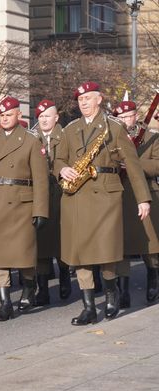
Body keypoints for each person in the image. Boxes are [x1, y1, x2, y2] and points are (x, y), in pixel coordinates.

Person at [55, 82, 151, 325]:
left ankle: (111, 292)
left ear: (99, 99)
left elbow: (133, 165)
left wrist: (143, 199)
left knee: (106, 251)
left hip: (106, 196)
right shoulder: (70, 128)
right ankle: (88, 307)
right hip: (76, 196)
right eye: (80, 99)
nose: (83, 102)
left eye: (88, 98)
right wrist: (63, 168)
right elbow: (58, 159)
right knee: (80, 253)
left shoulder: (115, 128)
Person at [0, 97, 49, 321]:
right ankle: (5, 303)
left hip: (21, 204)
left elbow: (41, 180)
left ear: (19, 116)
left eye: (9, 114)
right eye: (1, 115)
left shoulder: (31, 141)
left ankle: (29, 286)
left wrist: (40, 210)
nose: (4, 118)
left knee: (22, 256)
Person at [113, 100, 159, 307]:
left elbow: (157, 164)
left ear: (135, 116)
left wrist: (133, 163)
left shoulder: (150, 137)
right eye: (121, 117)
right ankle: (123, 290)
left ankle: (153, 278)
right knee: (121, 243)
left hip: (146, 193)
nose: (125, 120)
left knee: (148, 242)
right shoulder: (112, 136)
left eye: (129, 116)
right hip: (120, 195)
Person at [29, 99, 72, 310]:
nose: (43, 120)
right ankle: (43, 289)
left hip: (62, 194)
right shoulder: (30, 138)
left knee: (62, 240)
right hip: (40, 195)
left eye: (47, 116)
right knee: (42, 242)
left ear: (56, 118)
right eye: (40, 117)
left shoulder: (66, 136)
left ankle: (65, 276)